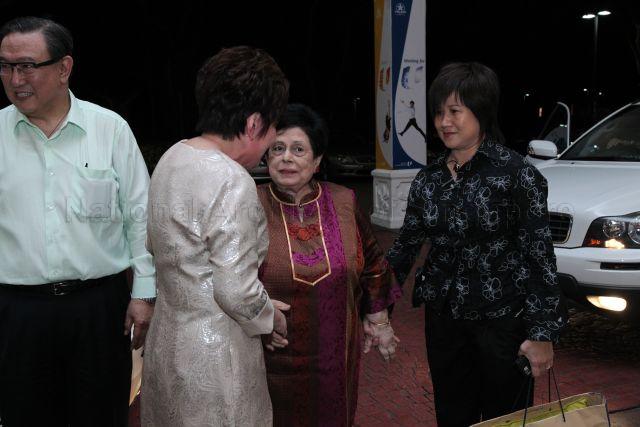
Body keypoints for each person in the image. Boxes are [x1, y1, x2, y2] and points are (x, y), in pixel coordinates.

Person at [387, 62, 567, 426]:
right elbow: (405, 247)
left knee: (505, 418)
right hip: (444, 321)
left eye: (455, 111)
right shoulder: (429, 179)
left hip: (502, 324)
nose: (444, 122)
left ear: (481, 111)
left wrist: (542, 333)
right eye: (438, 112)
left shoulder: (518, 175)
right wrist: (375, 307)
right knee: (452, 414)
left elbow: (540, 258)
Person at [0, 16, 155, 426]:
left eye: (27, 66)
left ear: (64, 68)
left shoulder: (110, 130)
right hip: (17, 312)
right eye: (6, 66)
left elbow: (140, 215)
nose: (16, 79)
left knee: (100, 414)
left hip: (99, 309)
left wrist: (143, 293)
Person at [141, 46, 290, 427]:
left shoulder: (171, 159)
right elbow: (235, 290)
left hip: (167, 342)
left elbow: (160, 248)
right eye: (273, 130)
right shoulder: (231, 179)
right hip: (216, 356)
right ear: (254, 124)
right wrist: (269, 316)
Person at [257, 103, 401, 427]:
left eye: (298, 149)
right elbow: (226, 273)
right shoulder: (250, 203)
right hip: (267, 354)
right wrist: (253, 315)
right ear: (266, 157)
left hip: (335, 359)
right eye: (277, 149)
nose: (286, 158)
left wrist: (379, 320)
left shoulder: (344, 200)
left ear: (318, 160)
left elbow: (374, 264)